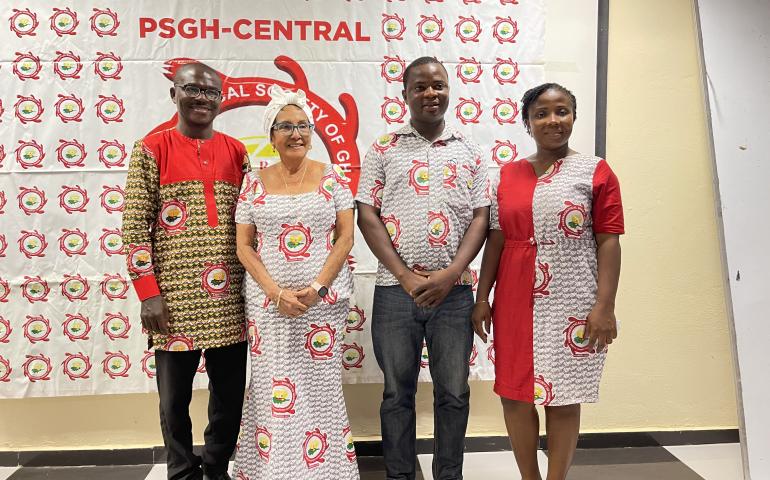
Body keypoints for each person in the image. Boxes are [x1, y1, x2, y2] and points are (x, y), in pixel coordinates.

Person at [471, 83, 624, 480]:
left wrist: (604, 306)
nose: (553, 120)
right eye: (541, 114)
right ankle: (529, 477)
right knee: (515, 394)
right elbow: (497, 238)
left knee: (563, 396)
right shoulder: (507, 175)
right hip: (514, 296)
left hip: (572, 297)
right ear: (527, 122)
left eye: (562, 111)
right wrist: (482, 296)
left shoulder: (596, 171)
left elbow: (608, 242)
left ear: (574, 116)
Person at [356, 56, 490, 480]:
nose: (431, 93)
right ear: (405, 95)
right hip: (397, 292)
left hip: (455, 294)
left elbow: (481, 216)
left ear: (450, 90)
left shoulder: (471, 149)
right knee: (398, 394)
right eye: (420, 87)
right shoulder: (382, 148)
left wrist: (451, 274)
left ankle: (449, 475)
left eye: (438, 85)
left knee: (454, 392)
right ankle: (400, 476)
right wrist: (406, 275)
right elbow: (366, 214)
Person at [122, 62, 249, 480]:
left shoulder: (236, 151)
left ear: (221, 100)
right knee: (173, 399)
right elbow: (135, 226)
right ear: (174, 94)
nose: (202, 98)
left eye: (212, 93)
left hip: (231, 298)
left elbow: (253, 222)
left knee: (228, 395)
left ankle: (215, 467)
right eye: (193, 89)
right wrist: (148, 292)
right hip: (173, 300)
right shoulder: (151, 149)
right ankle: (180, 470)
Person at [231, 85, 359, 479]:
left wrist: (318, 287)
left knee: (320, 388)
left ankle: (326, 472)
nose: (296, 134)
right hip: (268, 308)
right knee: (274, 388)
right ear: (271, 136)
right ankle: (272, 470)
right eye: (285, 126)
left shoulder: (331, 176)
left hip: (322, 305)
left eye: (303, 125)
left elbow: (346, 236)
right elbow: (244, 245)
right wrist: (275, 292)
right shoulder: (253, 182)